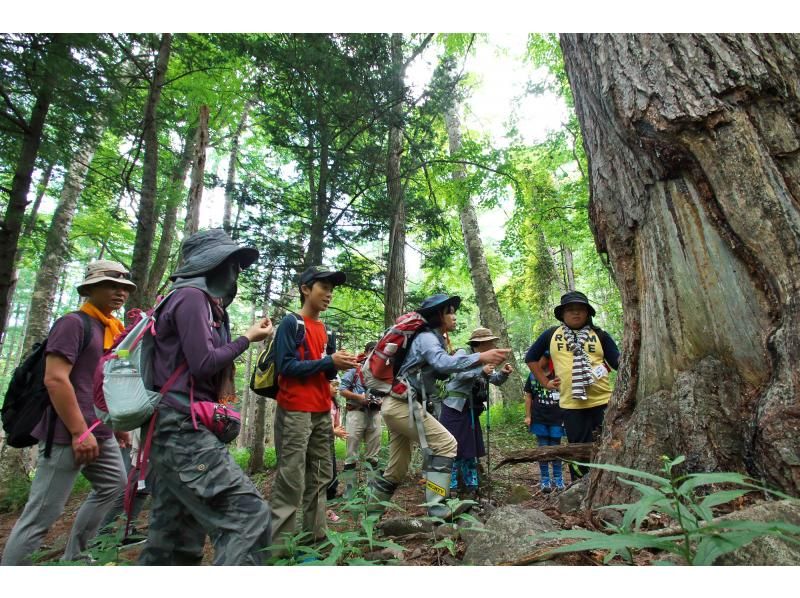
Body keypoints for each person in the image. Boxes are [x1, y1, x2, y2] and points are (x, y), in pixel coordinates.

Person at [137, 228, 274, 566]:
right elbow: (203, 363)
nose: (236, 272)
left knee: (174, 538)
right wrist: (247, 337)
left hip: (172, 428)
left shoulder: (193, 300)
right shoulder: (190, 297)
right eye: (231, 262)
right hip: (180, 428)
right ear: (211, 264)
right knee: (248, 518)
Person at [1, 260, 133, 565]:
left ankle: (76, 557)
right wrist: (78, 431)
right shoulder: (73, 324)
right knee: (42, 515)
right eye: (112, 285)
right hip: (65, 433)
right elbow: (55, 379)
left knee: (114, 485)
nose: (120, 293)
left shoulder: (111, 328)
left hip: (99, 429)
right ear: (90, 289)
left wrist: (116, 425)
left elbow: (99, 383)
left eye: (124, 287)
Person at [368, 294, 510, 518]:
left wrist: (482, 365)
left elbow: (443, 371)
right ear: (438, 315)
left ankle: (369, 516)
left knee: (396, 469)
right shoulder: (427, 338)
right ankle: (437, 508)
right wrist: (481, 357)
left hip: (398, 404)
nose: (454, 317)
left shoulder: (435, 339)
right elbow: (442, 363)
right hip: (402, 405)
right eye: (450, 312)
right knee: (446, 444)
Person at [269, 266, 358, 553]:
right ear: (306, 289)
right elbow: (286, 366)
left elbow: (324, 370)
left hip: (321, 411)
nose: (329, 294)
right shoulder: (290, 324)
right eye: (323, 287)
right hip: (295, 409)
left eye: (332, 289)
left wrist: (340, 364)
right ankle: (279, 551)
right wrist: (329, 362)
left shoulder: (325, 329)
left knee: (320, 476)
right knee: (291, 477)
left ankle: (315, 541)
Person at [525, 291, 619, 477]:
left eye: (580, 309)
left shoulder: (600, 335)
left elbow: (619, 363)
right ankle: (580, 484)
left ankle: (606, 481)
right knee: (577, 449)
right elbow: (531, 358)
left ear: (587, 313)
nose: (575, 313)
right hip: (571, 405)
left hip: (602, 402)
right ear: (562, 314)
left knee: (608, 445)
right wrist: (545, 382)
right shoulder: (552, 334)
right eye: (570, 310)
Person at [440, 327, 513, 500]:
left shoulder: (486, 361)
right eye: (490, 342)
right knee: (453, 448)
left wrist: (503, 373)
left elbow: (494, 379)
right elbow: (456, 375)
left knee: (470, 448)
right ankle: (451, 487)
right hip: (453, 408)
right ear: (479, 344)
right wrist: (480, 371)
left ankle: (472, 485)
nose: (494, 345)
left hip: (471, 409)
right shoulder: (461, 354)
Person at [338, 341, 382, 497]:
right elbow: (342, 389)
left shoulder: (382, 371)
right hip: (356, 413)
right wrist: (359, 397)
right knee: (352, 453)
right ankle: (350, 490)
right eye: (372, 351)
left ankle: (372, 489)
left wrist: (381, 400)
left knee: (373, 454)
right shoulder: (355, 369)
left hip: (375, 414)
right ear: (367, 351)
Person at [524, 355, 566, 492]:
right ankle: (545, 479)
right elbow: (528, 396)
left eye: (539, 359)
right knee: (542, 449)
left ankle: (558, 478)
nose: (536, 362)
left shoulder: (558, 374)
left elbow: (566, 394)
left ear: (548, 359)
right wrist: (528, 416)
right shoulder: (532, 376)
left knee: (556, 448)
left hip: (557, 418)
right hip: (539, 418)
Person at [326, 379, 347, 523]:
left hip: (329, 445)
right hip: (318, 444)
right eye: (333, 385)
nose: (336, 388)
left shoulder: (335, 404)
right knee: (323, 478)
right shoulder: (319, 402)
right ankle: (326, 512)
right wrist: (334, 431)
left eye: (337, 386)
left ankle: (328, 508)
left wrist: (339, 431)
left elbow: (336, 424)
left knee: (332, 477)